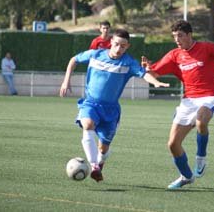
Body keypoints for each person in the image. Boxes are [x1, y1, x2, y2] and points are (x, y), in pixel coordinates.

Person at [142, 20, 214, 190]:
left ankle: (201, 158)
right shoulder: (174, 55)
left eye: (180, 36)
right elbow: (154, 72)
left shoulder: (207, 48)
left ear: (190, 35)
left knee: (201, 120)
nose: (177, 39)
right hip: (188, 101)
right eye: (175, 36)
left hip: (210, 97)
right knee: (172, 144)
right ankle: (186, 176)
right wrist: (148, 70)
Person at [60, 29, 169, 182]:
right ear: (111, 41)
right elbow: (74, 60)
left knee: (103, 148)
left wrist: (156, 82)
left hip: (111, 111)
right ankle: (94, 166)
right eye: (116, 44)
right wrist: (66, 80)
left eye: (123, 46)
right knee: (88, 124)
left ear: (128, 46)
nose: (119, 49)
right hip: (91, 103)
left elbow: (144, 74)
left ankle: (101, 161)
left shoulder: (129, 63)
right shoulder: (95, 54)